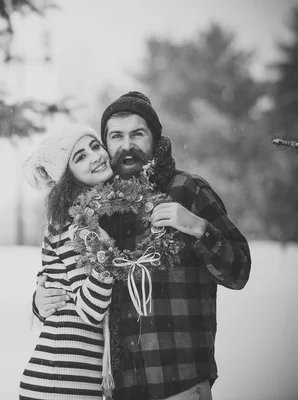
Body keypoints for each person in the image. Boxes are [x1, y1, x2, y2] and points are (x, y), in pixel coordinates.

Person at [33, 92, 252, 400]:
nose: (126, 145)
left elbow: (238, 271)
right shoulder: (96, 208)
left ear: (155, 137)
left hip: (180, 383)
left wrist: (197, 227)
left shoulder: (187, 190)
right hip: (117, 389)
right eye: (115, 136)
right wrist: (42, 299)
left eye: (137, 134)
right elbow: (71, 280)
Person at [20, 125, 116, 399]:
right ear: (68, 176)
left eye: (95, 146)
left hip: (66, 381)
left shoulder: (81, 216)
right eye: (80, 157)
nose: (96, 156)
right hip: (61, 384)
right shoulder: (77, 225)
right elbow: (90, 310)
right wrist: (105, 255)